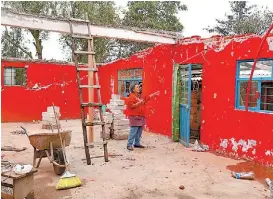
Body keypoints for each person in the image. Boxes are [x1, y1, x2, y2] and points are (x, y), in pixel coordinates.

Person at [126, 84, 159, 151]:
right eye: (137, 87)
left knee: (139, 131)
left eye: (139, 87)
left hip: (141, 116)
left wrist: (154, 94)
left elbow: (147, 98)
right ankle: (129, 145)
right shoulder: (131, 96)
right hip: (134, 117)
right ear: (133, 90)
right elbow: (131, 106)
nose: (139, 88)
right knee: (133, 131)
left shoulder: (140, 96)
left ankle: (137, 143)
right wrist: (139, 103)